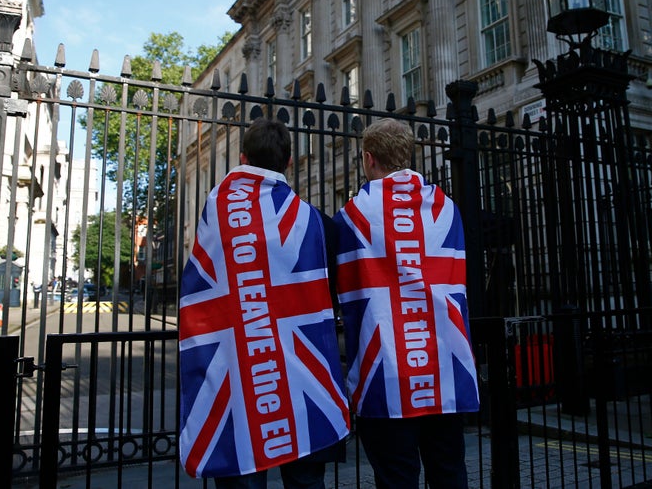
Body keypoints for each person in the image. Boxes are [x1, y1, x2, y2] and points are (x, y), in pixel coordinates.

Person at [179, 117, 350, 488]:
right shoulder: (318, 224)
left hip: (240, 384)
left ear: (242, 157)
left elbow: (197, 294)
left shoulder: (216, 221)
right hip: (306, 388)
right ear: (289, 163)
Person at [333, 118, 480, 488]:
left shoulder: (350, 217)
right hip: (446, 369)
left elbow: (337, 290)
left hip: (385, 375)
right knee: (450, 475)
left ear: (368, 158)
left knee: (397, 480)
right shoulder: (447, 209)